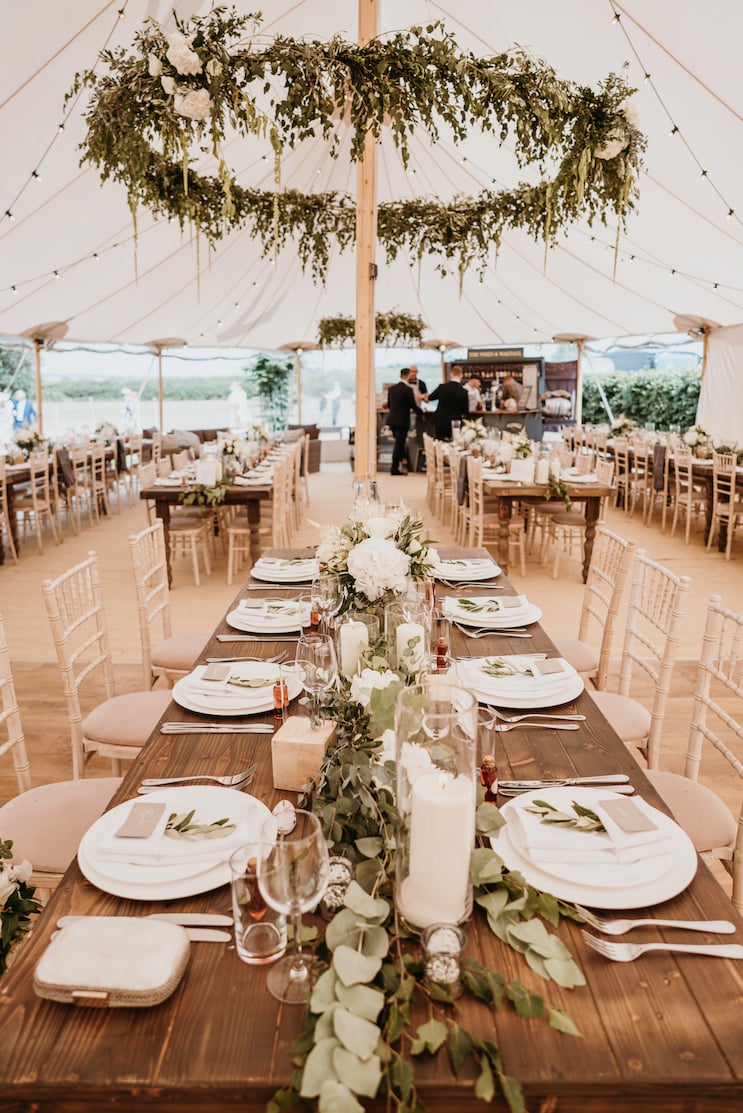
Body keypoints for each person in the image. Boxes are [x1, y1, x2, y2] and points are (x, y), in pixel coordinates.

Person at [386, 367, 422, 475]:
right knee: (399, 444)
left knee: (398, 444)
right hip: (402, 421)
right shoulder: (408, 390)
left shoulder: (392, 389)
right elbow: (413, 405)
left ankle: (398, 466)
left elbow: (389, 405)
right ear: (408, 376)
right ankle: (394, 468)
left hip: (392, 420)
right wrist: (421, 413)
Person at [424, 364, 469, 440]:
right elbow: (465, 411)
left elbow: (430, 398)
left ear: (451, 374)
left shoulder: (442, 387)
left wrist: (422, 397)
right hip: (455, 422)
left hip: (441, 420)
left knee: (440, 443)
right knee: (454, 443)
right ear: (461, 375)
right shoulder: (463, 391)